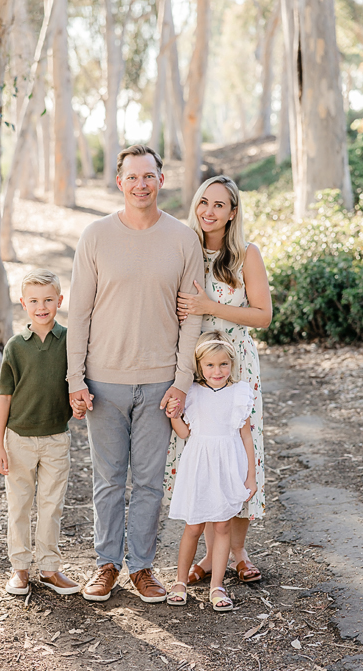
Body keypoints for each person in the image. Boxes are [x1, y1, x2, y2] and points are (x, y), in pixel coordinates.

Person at [67, 144, 204, 603]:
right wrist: (75, 378)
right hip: (103, 382)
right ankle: (106, 564)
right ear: (120, 182)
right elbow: (80, 312)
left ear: (161, 180)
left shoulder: (183, 239)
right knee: (107, 480)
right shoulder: (96, 236)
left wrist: (183, 381)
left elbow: (192, 318)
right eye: (132, 176)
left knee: (148, 482)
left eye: (149, 176)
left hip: (161, 382)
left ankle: (142, 567)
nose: (141, 184)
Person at [164, 175, 272, 585]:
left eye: (219, 205)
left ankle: (237, 552)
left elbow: (263, 315)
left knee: (239, 449)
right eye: (203, 202)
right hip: (194, 364)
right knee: (204, 449)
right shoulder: (183, 248)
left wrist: (211, 306)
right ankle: (212, 556)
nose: (208, 211)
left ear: (232, 212)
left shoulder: (246, 255)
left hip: (237, 363)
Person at [0, 270, 79, 596]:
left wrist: (81, 405)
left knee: (52, 504)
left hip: (57, 437)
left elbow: (79, 383)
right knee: (19, 505)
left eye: (47, 300)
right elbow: (4, 398)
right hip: (19, 440)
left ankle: (49, 568)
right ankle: (20, 568)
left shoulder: (70, 340)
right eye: (33, 301)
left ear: (59, 301)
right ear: (23, 304)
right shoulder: (15, 347)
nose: (41, 307)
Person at [165, 332, 257, 612]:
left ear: (231, 364)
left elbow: (246, 437)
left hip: (228, 465)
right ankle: (180, 581)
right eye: (210, 365)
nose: (217, 371)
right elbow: (184, 432)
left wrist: (250, 476)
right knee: (193, 526)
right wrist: (173, 415)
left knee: (222, 525)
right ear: (199, 367)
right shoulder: (192, 392)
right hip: (199, 465)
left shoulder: (239, 393)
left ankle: (217, 585)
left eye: (223, 365)